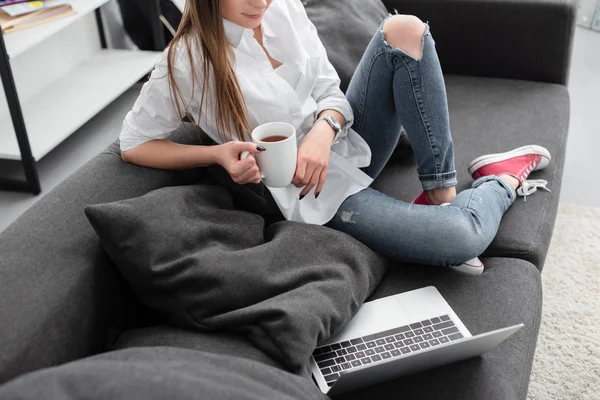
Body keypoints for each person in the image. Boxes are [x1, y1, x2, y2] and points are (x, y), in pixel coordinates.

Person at [119, 0, 552, 275]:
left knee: (405, 29)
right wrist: (216, 155)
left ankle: (441, 194)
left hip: (346, 142)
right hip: (313, 193)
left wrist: (323, 132)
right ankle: (501, 178)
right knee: (460, 238)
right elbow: (134, 144)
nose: (260, 2)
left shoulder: (282, 8)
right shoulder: (185, 62)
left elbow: (330, 90)